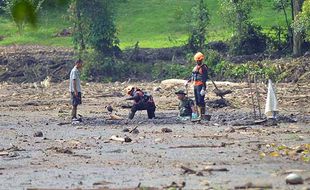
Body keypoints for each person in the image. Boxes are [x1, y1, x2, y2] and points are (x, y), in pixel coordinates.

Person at [185, 52, 208, 119]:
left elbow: (204, 78)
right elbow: (193, 76)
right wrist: (188, 81)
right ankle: (198, 115)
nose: (198, 61)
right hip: (195, 85)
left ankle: (202, 115)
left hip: (200, 85)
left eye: (199, 60)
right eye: (197, 60)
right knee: (197, 101)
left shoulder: (204, 68)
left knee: (201, 100)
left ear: (201, 60)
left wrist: (204, 88)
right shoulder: (195, 67)